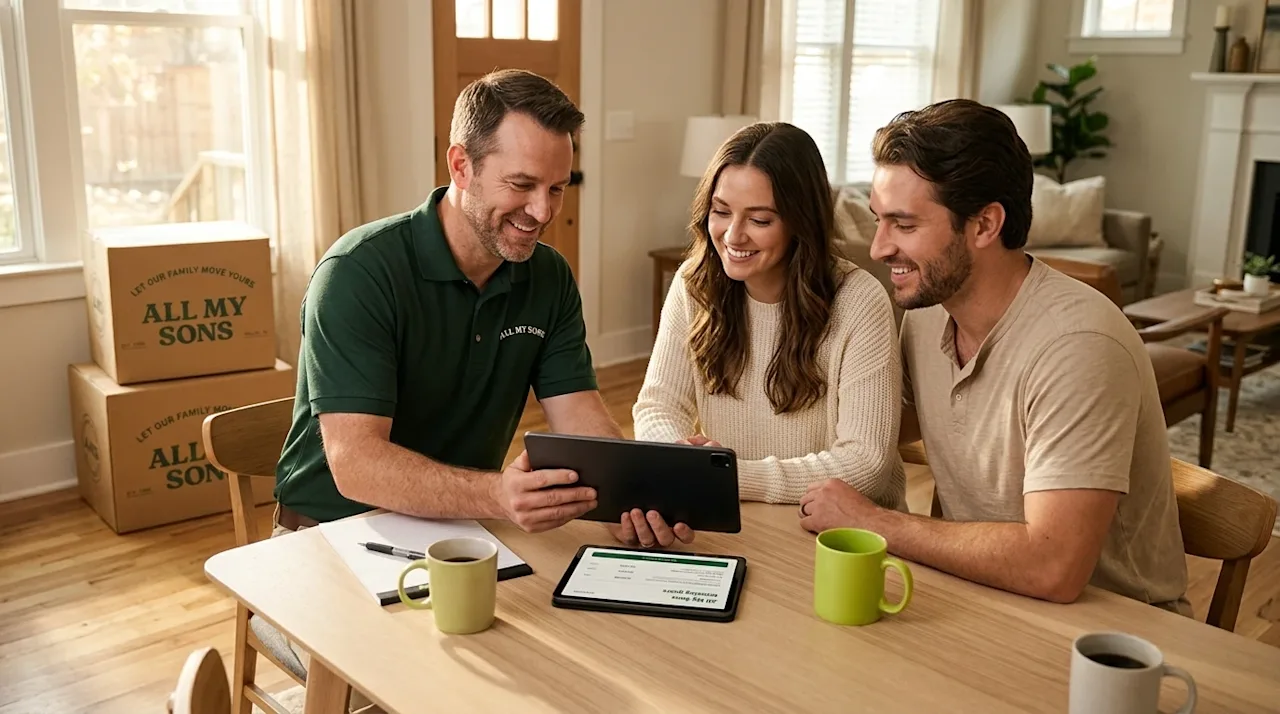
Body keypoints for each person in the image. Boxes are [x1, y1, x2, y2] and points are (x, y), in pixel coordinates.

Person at [798, 99, 1191, 615]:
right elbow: (872, 427)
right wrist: (723, 454)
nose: (877, 248)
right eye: (878, 220)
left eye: (904, 225)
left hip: (1111, 633)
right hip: (975, 593)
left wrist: (873, 521)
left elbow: (1054, 567)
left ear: (985, 225)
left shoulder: (1078, 346)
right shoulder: (928, 313)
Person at [272, 69, 624, 538]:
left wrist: (630, 494)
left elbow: (580, 416)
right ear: (461, 166)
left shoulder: (549, 276)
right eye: (521, 184)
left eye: (557, 188)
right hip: (328, 533)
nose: (543, 212)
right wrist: (497, 495)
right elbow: (355, 464)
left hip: (462, 525)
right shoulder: (358, 272)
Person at [629, 121, 906, 549]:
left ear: (800, 222)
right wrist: (681, 462)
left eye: (759, 219)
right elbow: (657, 405)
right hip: (735, 521)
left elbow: (866, 465)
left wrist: (727, 474)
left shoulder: (859, 302)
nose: (733, 236)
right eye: (721, 212)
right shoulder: (694, 283)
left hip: (840, 539)